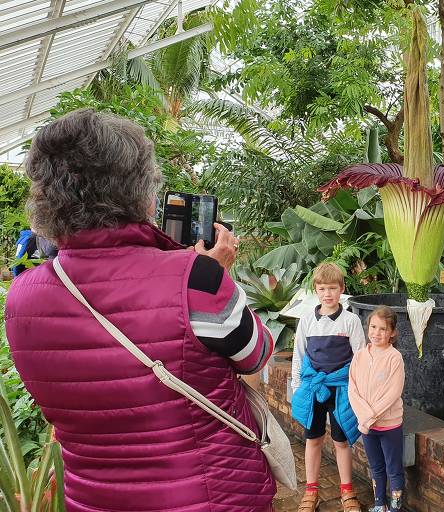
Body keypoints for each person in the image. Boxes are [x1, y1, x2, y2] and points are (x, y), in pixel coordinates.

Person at [4, 109, 276, 512]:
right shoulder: (195, 278)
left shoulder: (21, 298)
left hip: (93, 499)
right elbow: (256, 353)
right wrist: (215, 274)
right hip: (211, 496)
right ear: (141, 190)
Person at [290, 262, 366, 512]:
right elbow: (299, 355)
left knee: (341, 441)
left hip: (341, 389)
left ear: (342, 289)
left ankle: (347, 492)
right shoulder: (307, 321)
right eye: (322, 288)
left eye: (332, 288)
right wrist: (297, 385)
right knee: (313, 439)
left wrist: (360, 390)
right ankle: (311, 491)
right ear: (316, 290)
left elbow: (360, 358)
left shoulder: (351, 320)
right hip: (314, 389)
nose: (327, 294)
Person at [348, 306, 405, 512]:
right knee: (376, 468)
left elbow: (393, 392)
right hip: (367, 427)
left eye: (382, 329)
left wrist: (369, 417)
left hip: (389, 426)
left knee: (394, 469)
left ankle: (395, 508)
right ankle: (379, 504)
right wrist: (364, 417)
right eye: (373, 327)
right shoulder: (360, 356)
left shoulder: (394, 357)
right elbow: (352, 389)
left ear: (392, 332)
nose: (376, 333)